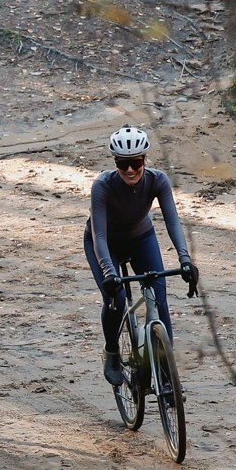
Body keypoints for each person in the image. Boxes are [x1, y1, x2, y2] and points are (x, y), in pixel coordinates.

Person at [85, 125, 198, 387]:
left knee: (159, 297)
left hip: (140, 238)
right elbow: (99, 236)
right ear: (115, 163)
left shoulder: (158, 180)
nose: (130, 170)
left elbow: (173, 222)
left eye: (135, 163)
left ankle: (164, 371)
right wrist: (110, 274)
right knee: (117, 298)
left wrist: (185, 260)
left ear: (145, 160)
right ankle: (112, 351)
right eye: (122, 164)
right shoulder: (103, 185)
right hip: (105, 243)